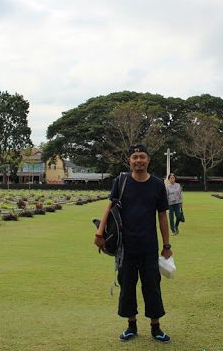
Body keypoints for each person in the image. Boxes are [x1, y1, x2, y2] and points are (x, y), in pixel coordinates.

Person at [94, 143, 173, 343]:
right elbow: (109, 207)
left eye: (142, 157)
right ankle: (131, 326)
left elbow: (162, 216)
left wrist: (166, 245)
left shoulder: (157, 185)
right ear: (130, 161)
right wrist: (99, 232)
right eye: (135, 157)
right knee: (127, 286)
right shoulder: (121, 182)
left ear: (148, 160)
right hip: (125, 247)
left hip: (148, 246)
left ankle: (156, 327)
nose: (138, 160)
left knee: (152, 286)